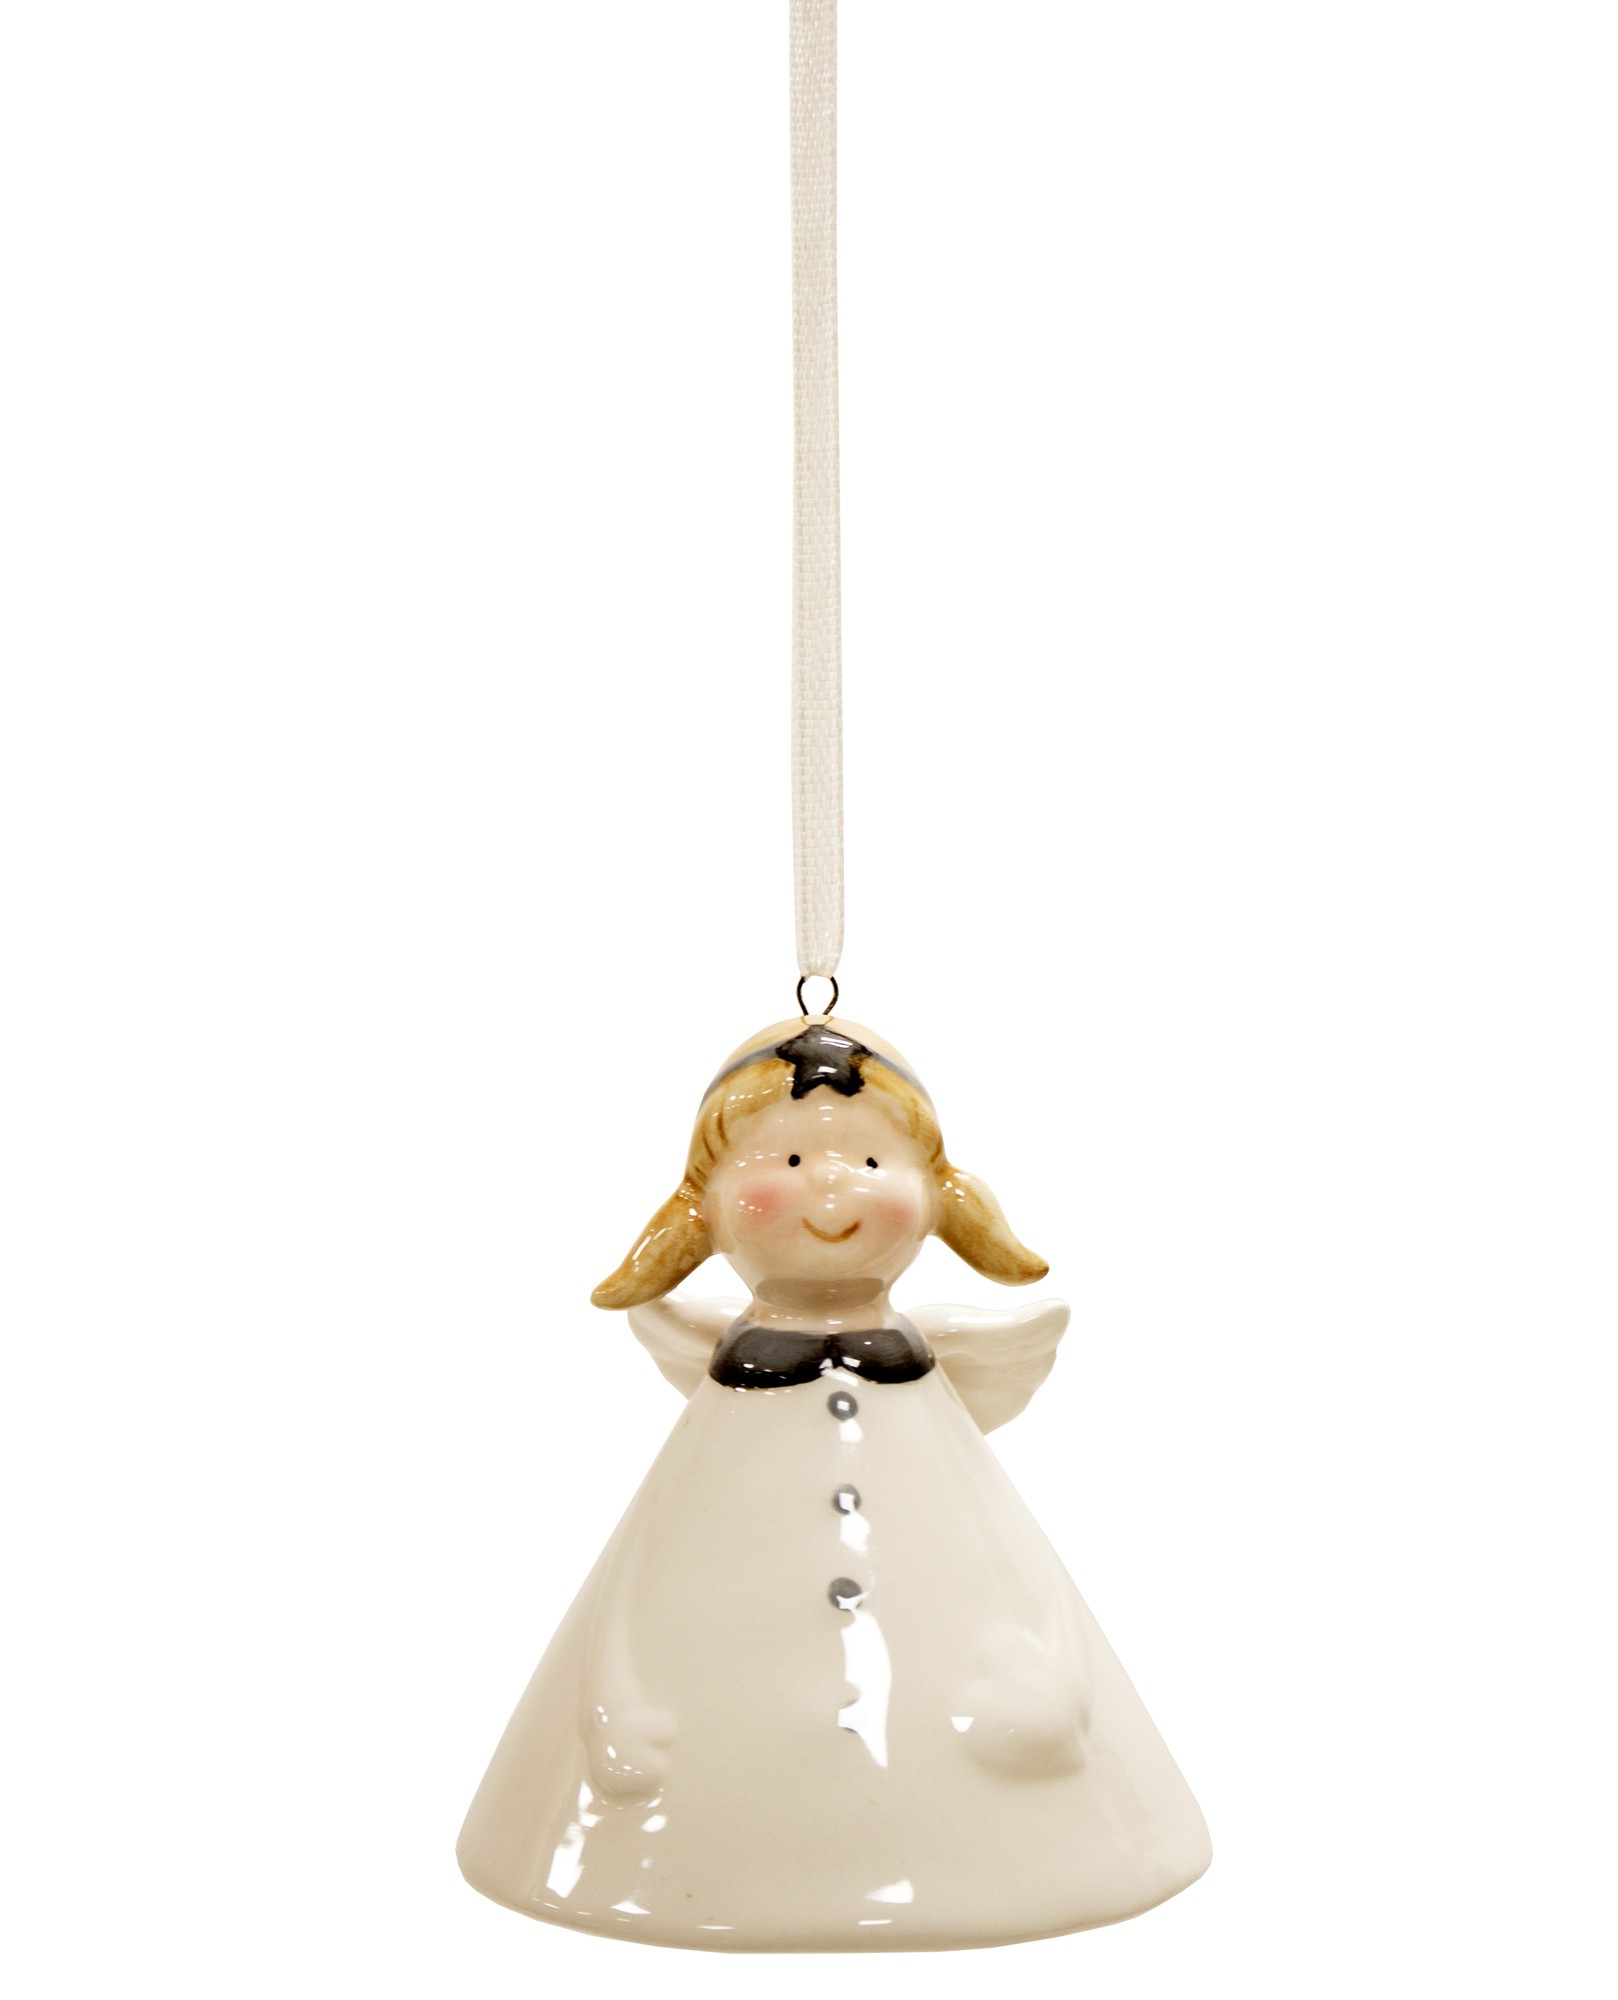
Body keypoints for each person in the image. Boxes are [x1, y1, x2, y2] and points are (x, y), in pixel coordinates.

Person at [458, 1017, 1211, 1950]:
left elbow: (1015, 1570)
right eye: (788, 1160)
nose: (830, 1183)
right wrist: (613, 1713)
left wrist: (1054, 1687)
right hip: (705, 1763)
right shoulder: (728, 1393)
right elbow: (643, 1580)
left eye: (870, 1160)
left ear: (937, 1201)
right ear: (705, 1208)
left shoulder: (930, 1380)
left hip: (983, 1756)